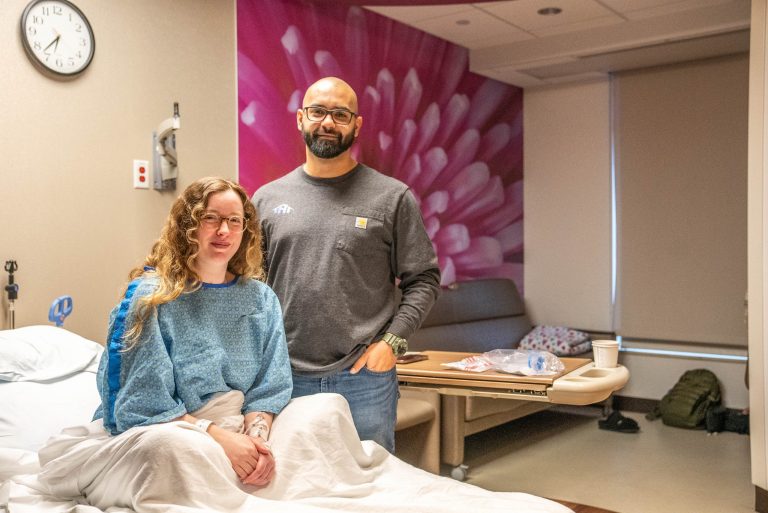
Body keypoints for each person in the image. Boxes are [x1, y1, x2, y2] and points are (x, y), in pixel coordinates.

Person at [36, 177, 293, 510]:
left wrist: (256, 441)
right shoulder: (152, 299)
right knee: (170, 449)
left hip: (242, 426)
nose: (223, 231)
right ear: (188, 225)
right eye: (211, 218)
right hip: (173, 429)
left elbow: (270, 385)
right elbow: (141, 405)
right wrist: (219, 438)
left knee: (325, 411)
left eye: (234, 221)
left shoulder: (261, 299)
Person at [251, 77, 441, 453]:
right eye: (318, 111)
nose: (327, 122)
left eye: (340, 114)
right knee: (294, 485)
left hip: (364, 379)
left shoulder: (392, 197)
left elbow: (424, 279)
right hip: (284, 377)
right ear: (300, 118)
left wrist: (392, 343)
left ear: (357, 124)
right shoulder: (266, 199)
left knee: (372, 488)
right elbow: (250, 287)